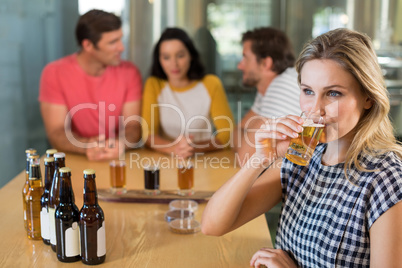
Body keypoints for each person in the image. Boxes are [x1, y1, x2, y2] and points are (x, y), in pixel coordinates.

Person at [202, 28, 402, 267]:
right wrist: (259, 160)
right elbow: (212, 225)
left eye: (333, 93)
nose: (315, 109)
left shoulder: (386, 178)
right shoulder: (302, 156)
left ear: (368, 97)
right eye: (308, 91)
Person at [39, 9, 142, 161]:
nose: (121, 47)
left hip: (119, 159)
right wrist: (89, 146)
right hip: (75, 160)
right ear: (88, 45)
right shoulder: (54, 73)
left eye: (120, 39)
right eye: (113, 42)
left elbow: (133, 126)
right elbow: (56, 132)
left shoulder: (129, 72)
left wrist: (119, 144)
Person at [142, 27, 234, 158]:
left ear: (191, 55)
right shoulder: (154, 84)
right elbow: (147, 134)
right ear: (159, 60)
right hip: (166, 160)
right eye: (166, 57)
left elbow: (227, 135)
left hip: (204, 162)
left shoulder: (211, 84)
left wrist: (193, 148)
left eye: (180, 56)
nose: (174, 64)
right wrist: (173, 149)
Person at [234, 27, 301, 166]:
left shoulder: (282, 85)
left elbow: (245, 159)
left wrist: (245, 139)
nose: (240, 65)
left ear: (266, 63)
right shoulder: (267, 88)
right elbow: (237, 130)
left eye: (245, 58)